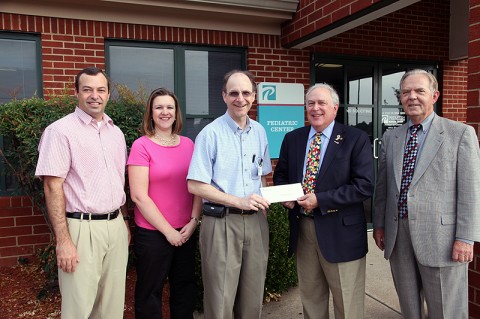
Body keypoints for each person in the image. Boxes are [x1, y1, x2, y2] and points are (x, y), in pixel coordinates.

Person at [373, 69, 480, 318]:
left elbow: (470, 191)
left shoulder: (460, 134)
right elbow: (383, 188)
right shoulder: (392, 137)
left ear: (435, 95)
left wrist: (466, 237)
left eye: (419, 91)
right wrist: (379, 225)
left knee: (446, 311)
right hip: (398, 236)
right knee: (409, 309)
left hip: (441, 238)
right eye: (406, 92)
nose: (412, 97)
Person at [35, 66, 130, 318]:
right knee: (78, 309)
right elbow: (52, 186)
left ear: (109, 94)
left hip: (115, 227)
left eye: (101, 90)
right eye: (87, 89)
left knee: (111, 308)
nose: (94, 95)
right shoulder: (60, 131)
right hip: (81, 229)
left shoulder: (116, 133)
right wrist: (63, 241)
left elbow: (117, 182)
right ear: (76, 92)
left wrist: (124, 222)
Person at [273, 83, 374, 319]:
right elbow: (281, 175)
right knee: (311, 299)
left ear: (335, 108)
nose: (315, 108)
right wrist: (285, 195)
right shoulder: (293, 138)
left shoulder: (355, 138)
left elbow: (364, 186)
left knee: (347, 304)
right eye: (310, 103)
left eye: (322, 103)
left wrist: (321, 199)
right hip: (304, 230)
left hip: (342, 233)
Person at [187, 70, 272, 319]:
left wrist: (263, 208)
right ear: (224, 96)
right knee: (220, 298)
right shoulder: (210, 134)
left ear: (254, 97)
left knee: (252, 297)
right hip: (221, 223)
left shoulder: (260, 132)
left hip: (256, 222)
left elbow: (263, 175)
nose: (240, 98)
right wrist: (239, 201)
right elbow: (195, 185)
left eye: (246, 93)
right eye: (233, 93)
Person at [128, 87, 202, 319]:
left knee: (185, 289)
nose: (164, 112)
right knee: (150, 292)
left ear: (176, 112)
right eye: (158, 107)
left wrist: (194, 220)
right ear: (151, 112)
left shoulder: (189, 145)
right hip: (153, 234)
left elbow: (197, 186)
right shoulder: (142, 145)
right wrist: (169, 232)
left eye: (169, 107)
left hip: (186, 231)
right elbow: (139, 196)